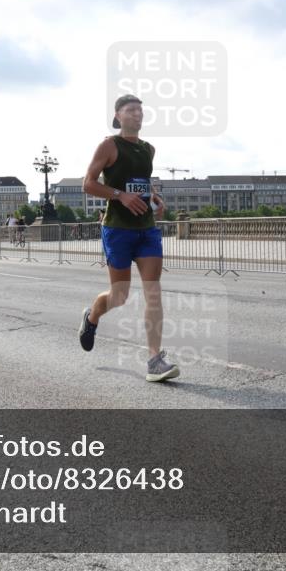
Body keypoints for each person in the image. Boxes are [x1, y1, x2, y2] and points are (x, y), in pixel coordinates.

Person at [78, 94, 177, 382]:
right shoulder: (109, 145)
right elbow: (88, 184)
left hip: (146, 229)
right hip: (118, 229)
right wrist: (120, 195)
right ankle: (92, 316)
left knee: (153, 293)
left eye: (140, 110)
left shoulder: (149, 149)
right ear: (118, 116)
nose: (137, 114)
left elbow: (141, 183)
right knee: (119, 295)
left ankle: (154, 361)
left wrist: (154, 198)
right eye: (130, 110)